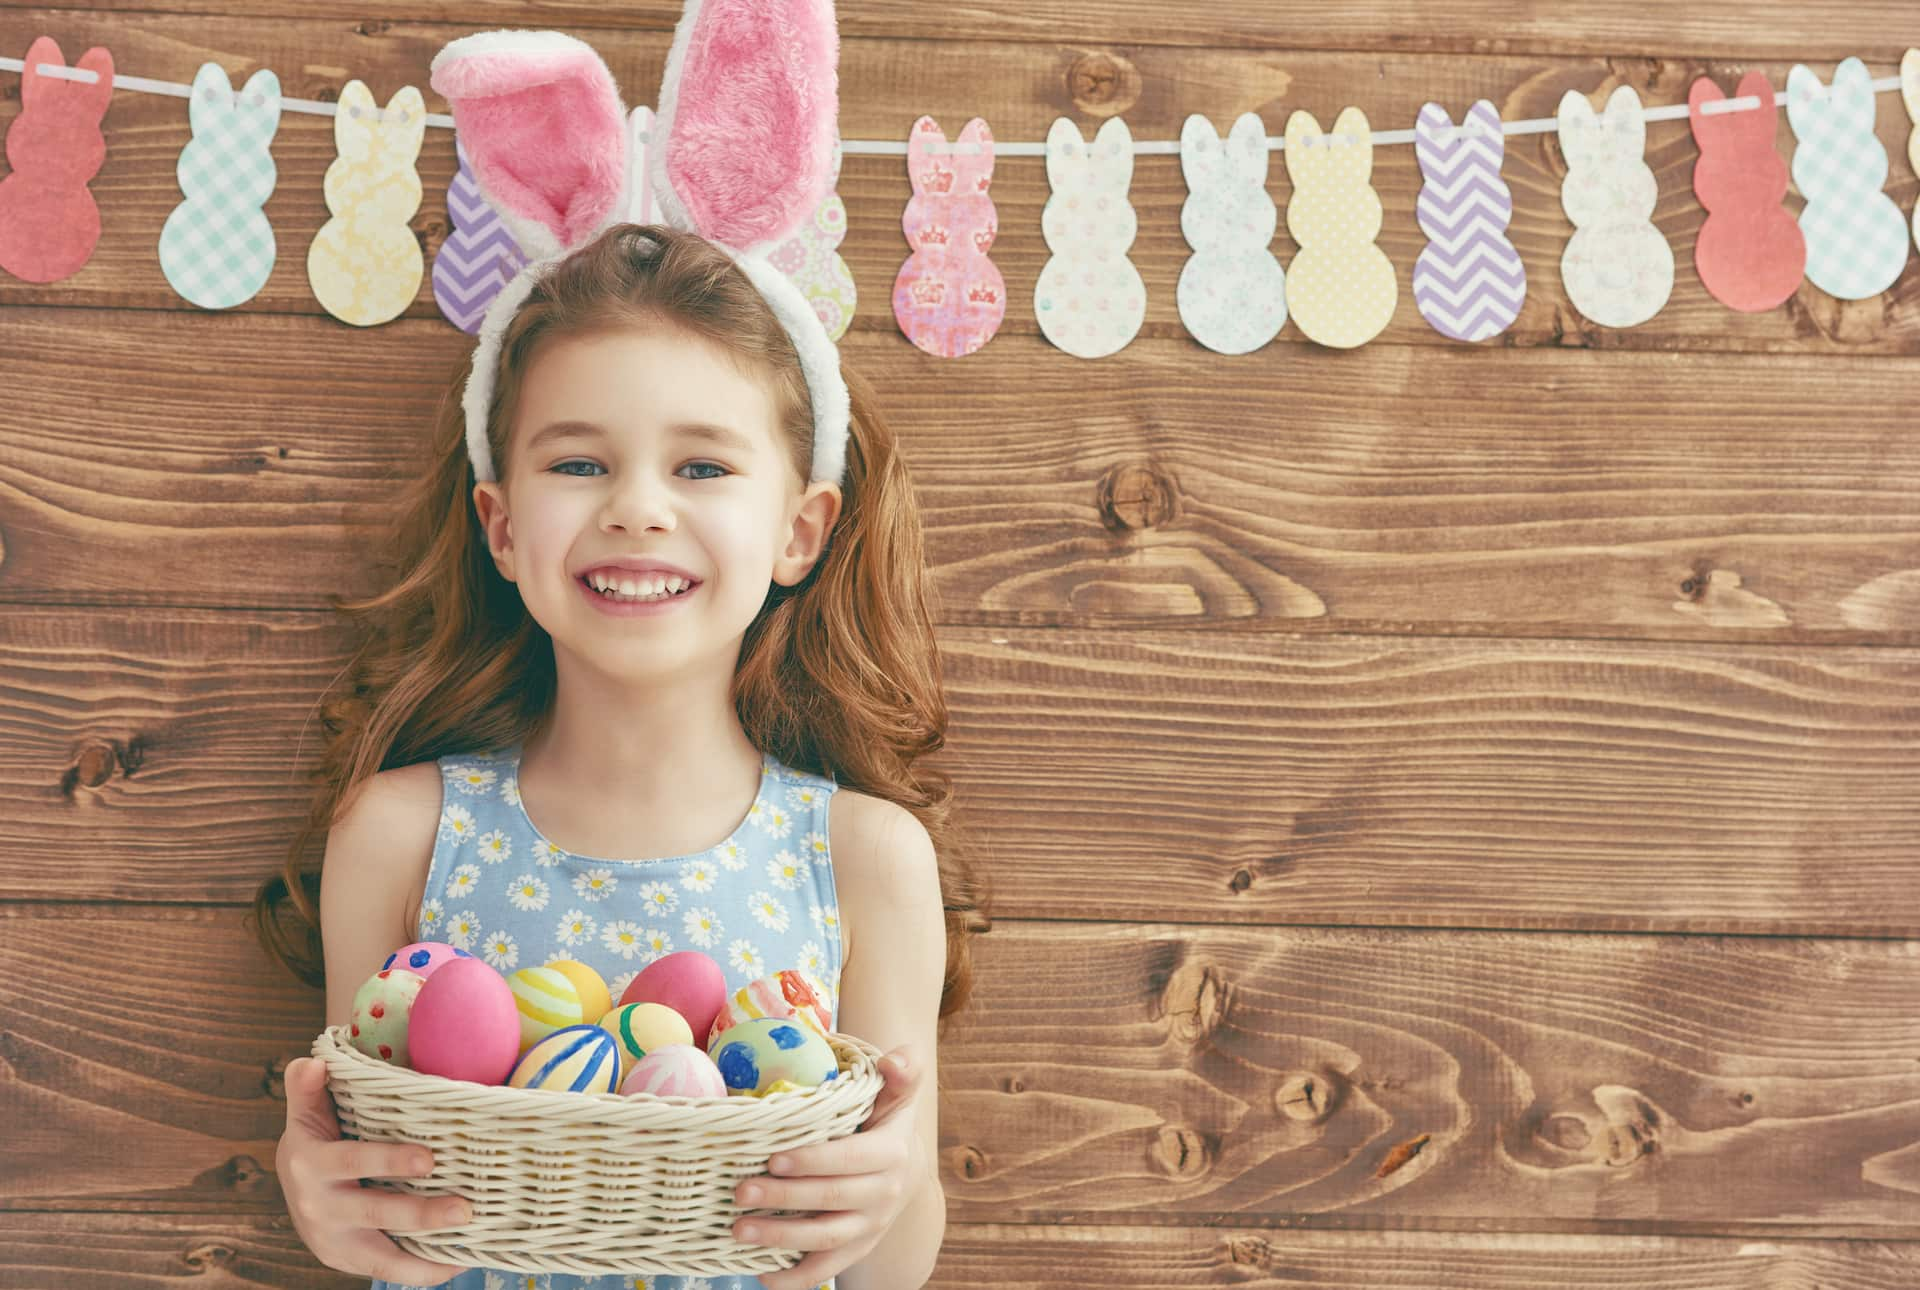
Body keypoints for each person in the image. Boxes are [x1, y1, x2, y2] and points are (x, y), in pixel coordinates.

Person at [247, 15, 991, 1289]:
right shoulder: (401, 833)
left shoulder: (865, 859)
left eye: (702, 465)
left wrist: (892, 1178)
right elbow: (379, 1215)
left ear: (800, 530)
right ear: (500, 523)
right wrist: (322, 1193)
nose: (638, 507)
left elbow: (887, 1270)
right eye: (578, 462)